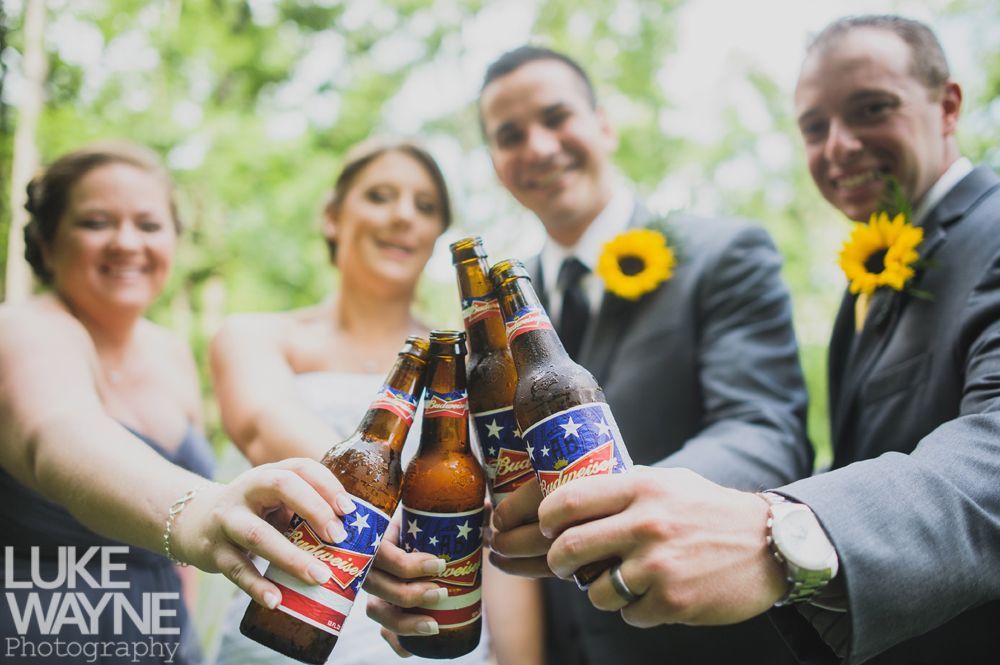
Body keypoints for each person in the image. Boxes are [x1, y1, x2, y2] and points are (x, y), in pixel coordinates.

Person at [498, 15, 1000, 665]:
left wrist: (786, 533)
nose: (839, 146)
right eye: (813, 127)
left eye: (872, 109)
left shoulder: (724, 253)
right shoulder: (870, 284)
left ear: (949, 105)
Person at [369, 47, 813, 664]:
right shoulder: (489, 320)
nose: (538, 146)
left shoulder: (723, 255)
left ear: (604, 125)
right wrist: (425, 559)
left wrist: (636, 505)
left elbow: (764, 429)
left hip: (700, 643)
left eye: (557, 118)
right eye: (510, 136)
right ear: (496, 164)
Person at [0, 142, 356, 664]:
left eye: (148, 225)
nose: (127, 242)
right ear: (47, 243)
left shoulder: (170, 353)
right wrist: (203, 511)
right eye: (96, 223)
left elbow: (178, 565)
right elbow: (57, 436)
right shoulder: (20, 329)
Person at [209, 137, 496, 665]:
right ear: (332, 216)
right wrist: (372, 517)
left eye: (425, 206)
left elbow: (492, 540)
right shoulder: (256, 336)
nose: (404, 216)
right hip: (285, 631)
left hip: (434, 637)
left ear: (436, 235)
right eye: (380, 196)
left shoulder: (467, 368)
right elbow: (264, 426)